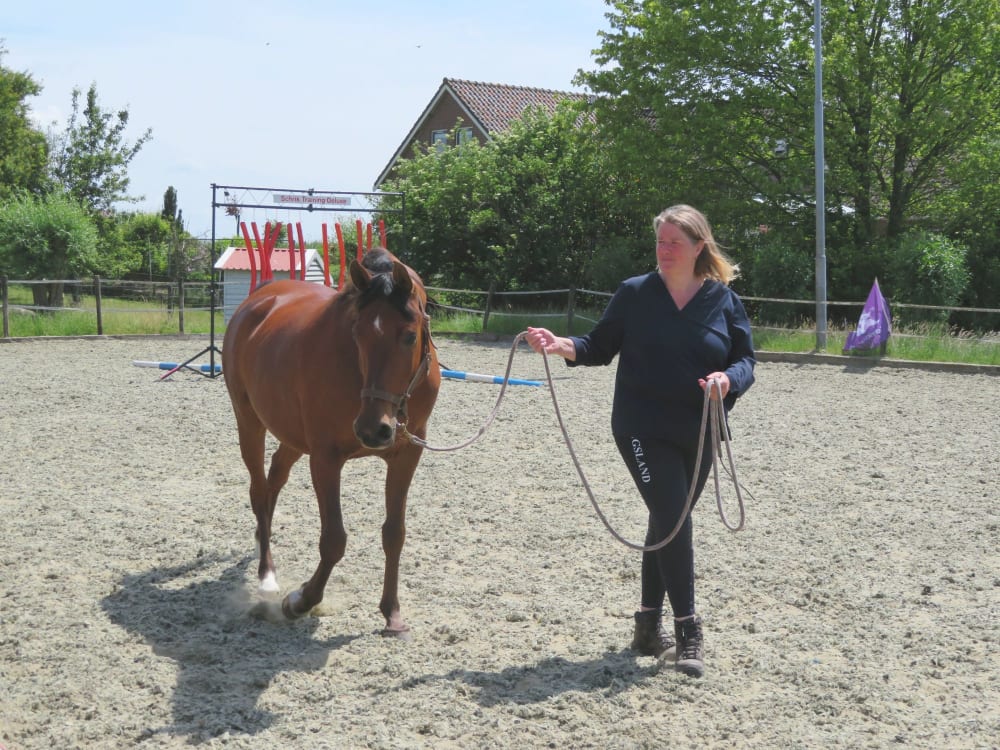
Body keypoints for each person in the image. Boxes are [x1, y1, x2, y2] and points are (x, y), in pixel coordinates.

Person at [526, 204, 755, 678]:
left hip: (700, 429)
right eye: (660, 241)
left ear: (699, 247)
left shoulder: (723, 300)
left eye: (674, 242)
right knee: (673, 518)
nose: (664, 250)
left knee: (666, 520)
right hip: (640, 428)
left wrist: (728, 379)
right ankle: (689, 629)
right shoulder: (634, 294)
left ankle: (647, 626)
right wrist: (560, 343)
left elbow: (746, 360)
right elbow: (598, 346)